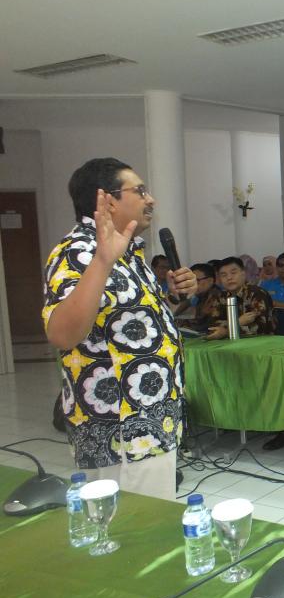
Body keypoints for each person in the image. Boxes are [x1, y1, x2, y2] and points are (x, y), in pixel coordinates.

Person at [42, 157, 195, 499]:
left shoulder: (128, 253)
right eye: (140, 190)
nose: (150, 199)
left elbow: (133, 325)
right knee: (131, 529)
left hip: (150, 418)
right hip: (118, 427)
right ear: (107, 199)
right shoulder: (78, 252)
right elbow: (62, 335)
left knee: (149, 524)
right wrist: (102, 262)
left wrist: (175, 295)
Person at [201, 256, 275, 339]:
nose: (229, 278)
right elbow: (213, 324)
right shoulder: (221, 296)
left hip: (260, 342)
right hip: (229, 342)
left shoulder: (257, 294)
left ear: (243, 274)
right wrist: (238, 322)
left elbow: (259, 328)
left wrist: (226, 331)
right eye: (224, 275)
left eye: (233, 273)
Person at [174, 262, 219, 330]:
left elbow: (204, 324)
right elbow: (176, 313)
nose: (193, 284)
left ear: (210, 281)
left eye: (197, 280)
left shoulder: (216, 296)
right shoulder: (200, 296)